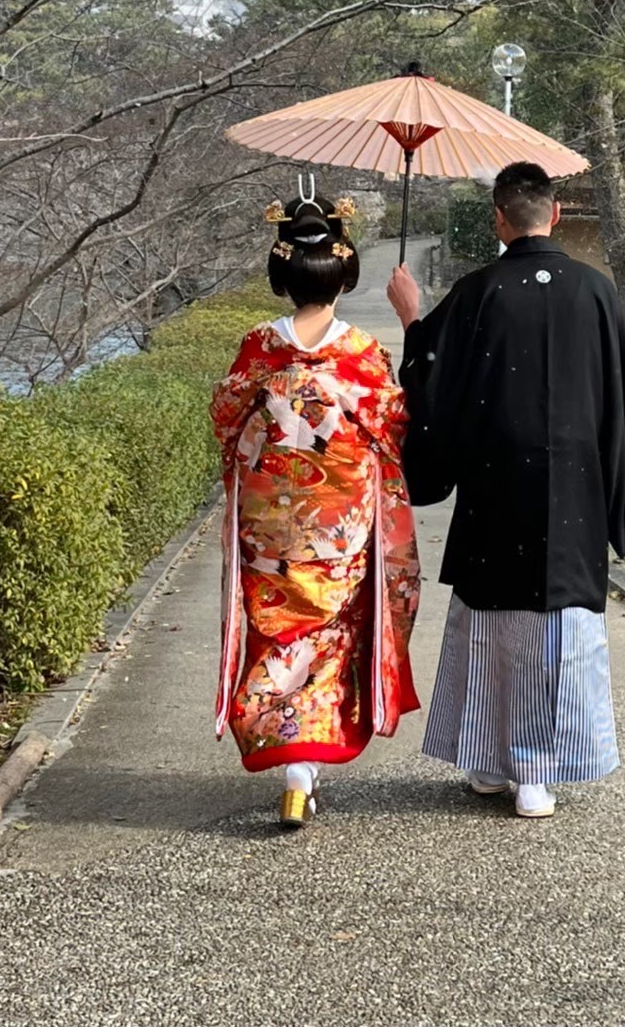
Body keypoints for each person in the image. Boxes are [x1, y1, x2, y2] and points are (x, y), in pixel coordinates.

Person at [387, 161, 625, 819]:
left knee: (491, 623)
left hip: (494, 483)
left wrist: (412, 318)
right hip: (575, 486)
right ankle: (534, 773)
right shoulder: (595, 290)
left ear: (499, 220)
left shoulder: (480, 290)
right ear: (555, 213)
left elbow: (434, 383)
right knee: (557, 628)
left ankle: (490, 760)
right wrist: (622, 479)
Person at [211, 179, 421, 829]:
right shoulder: (360, 353)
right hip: (341, 532)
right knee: (329, 635)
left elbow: (224, 420)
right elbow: (394, 426)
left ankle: (291, 763)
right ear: (345, 272)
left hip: (270, 532)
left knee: (277, 631)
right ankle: (306, 767)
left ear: (281, 273)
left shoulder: (258, 349)